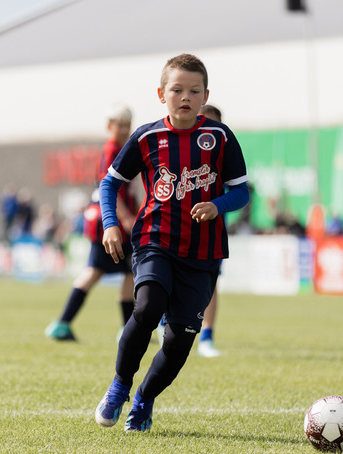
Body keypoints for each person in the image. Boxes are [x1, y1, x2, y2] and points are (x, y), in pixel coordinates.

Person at [94, 54, 249, 432]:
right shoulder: (146, 137)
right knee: (148, 307)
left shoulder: (220, 137)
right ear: (161, 94)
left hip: (203, 254)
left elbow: (241, 192)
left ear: (205, 96)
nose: (185, 97)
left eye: (194, 91)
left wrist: (217, 205)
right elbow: (110, 183)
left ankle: (144, 398)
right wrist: (110, 223)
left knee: (179, 341)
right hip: (155, 241)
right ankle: (119, 386)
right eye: (177, 90)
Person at [45, 105, 137, 341]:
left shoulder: (118, 149)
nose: (124, 130)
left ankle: (64, 324)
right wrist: (126, 217)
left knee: (113, 272)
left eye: (127, 125)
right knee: (117, 271)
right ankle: (65, 324)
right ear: (109, 127)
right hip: (110, 222)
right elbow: (109, 187)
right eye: (120, 125)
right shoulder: (112, 150)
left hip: (104, 219)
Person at [197, 104, 223, 358]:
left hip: (212, 232)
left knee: (210, 284)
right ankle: (163, 324)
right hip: (179, 230)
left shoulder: (225, 153)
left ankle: (207, 336)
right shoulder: (180, 150)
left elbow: (239, 191)